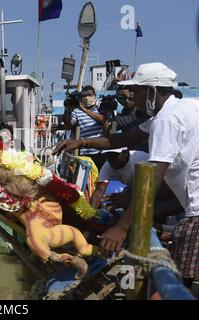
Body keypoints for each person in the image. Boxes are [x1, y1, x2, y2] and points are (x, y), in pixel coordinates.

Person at [53, 62, 199, 286]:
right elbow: (124, 138)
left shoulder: (166, 121)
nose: (133, 97)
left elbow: (153, 178)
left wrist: (121, 227)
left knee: (179, 281)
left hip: (195, 212)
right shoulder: (182, 108)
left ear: (151, 91)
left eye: (137, 91)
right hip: (189, 204)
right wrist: (82, 141)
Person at [62, 86, 105, 169]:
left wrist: (84, 109)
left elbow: (103, 120)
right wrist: (68, 109)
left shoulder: (100, 109)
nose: (86, 98)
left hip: (99, 152)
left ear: (94, 96)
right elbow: (69, 125)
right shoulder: (76, 112)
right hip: (84, 153)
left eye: (89, 95)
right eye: (84, 96)